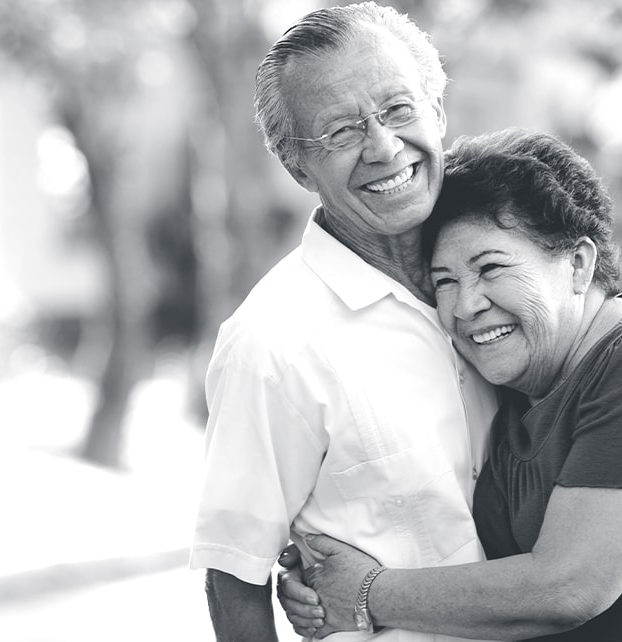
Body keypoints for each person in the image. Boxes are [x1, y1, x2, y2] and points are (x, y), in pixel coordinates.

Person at [277, 128, 622, 641]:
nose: (466, 306)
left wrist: (365, 593)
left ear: (578, 264)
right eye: (445, 281)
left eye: (490, 269)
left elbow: (566, 588)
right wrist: (316, 568)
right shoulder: (519, 385)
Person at [189, 3, 500, 641]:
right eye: (341, 131)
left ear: (437, 113)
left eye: (398, 110)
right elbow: (233, 574)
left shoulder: (509, 274)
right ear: (296, 166)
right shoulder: (272, 344)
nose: (384, 148)